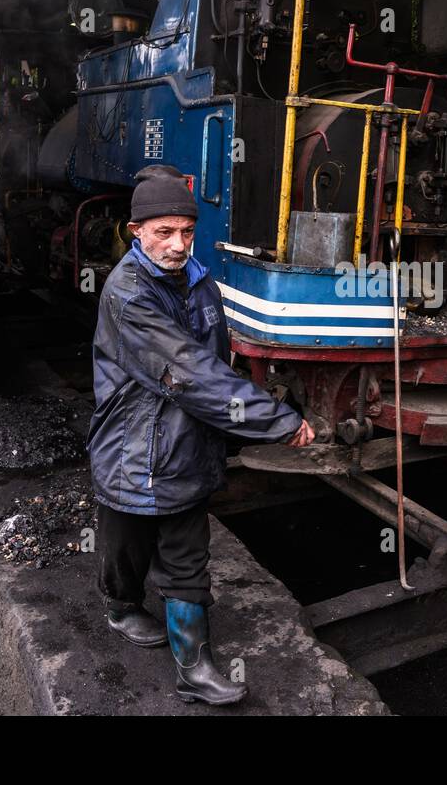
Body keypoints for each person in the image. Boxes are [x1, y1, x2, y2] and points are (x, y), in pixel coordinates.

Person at [88, 165, 314, 706]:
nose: (178, 244)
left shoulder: (198, 279)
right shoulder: (128, 293)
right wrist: (275, 420)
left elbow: (215, 359)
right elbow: (190, 372)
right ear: (135, 230)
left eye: (186, 231)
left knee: (186, 555)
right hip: (133, 447)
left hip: (185, 444)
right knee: (126, 545)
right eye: (164, 232)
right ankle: (120, 608)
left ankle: (195, 668)